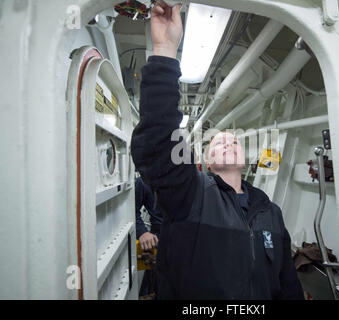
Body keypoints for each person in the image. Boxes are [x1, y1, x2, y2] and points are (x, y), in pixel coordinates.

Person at [131, 2, 304, 299]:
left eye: (233, 140)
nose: (225, 141)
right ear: (207, 162)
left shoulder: (270, 212)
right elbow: (157, 140)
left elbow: (287, 282)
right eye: (217, 142)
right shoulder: (191, 194)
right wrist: (166, 50)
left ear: (244, 159)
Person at [135, 176, 163, 297]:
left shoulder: (189, 179)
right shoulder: (143, 181)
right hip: (158, 240)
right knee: (153, 288)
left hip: (186, 241)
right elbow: (131, 210)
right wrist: (142, 232)